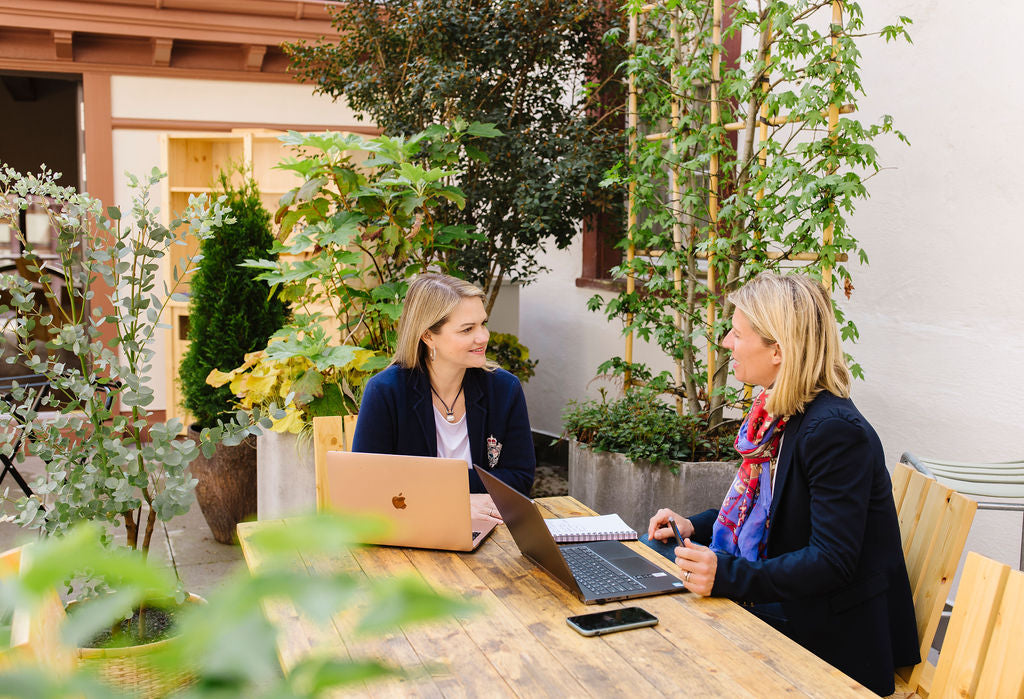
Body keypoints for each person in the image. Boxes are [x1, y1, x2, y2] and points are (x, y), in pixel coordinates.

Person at [642, 272, 919, 696]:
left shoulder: (835, 431)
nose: (726, 344)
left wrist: (728, 575)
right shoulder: (781, 413)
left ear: (778, 350)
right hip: (797, 605)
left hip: (832, 638)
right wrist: (695, 524)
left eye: (736, 334)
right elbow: (774, 514)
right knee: (657, 561)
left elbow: (832, 561)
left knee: (667, 631)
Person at [352, 273, 535, 524]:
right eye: (467, 329)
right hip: (411, 528)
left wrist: (425, 487)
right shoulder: (386, 391)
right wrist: (454, 500)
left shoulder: (504, 389)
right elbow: (369, 484)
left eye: (483, 324)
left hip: (489, 527)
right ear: (428, 336)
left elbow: (519, 478)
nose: (483, 337)